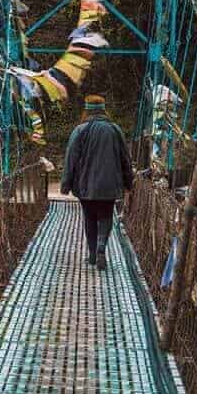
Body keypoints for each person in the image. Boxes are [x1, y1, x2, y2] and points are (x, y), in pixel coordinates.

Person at [60, 95, 133, 270]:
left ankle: (92, 254)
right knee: (106, 215)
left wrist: (66, 184)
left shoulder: (80, 130)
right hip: (110, 184)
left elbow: (71, 158)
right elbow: (125, 159)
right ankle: (101, 248)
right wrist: (128, 181)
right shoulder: (115, 130)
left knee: (89, 217)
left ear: (86, 110)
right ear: (103, 109)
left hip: (85, 185)